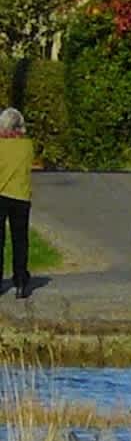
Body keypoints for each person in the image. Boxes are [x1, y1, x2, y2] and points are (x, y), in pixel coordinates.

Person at [0, 107, 34, 299]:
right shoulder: (27, 146)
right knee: (20, 240)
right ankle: (21, 280)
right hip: (21, 197)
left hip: (1, 194)